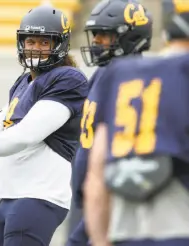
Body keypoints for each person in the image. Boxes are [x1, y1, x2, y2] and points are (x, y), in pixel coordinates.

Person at [0, 5, 89, 246]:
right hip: (9, 196)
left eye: (44, 42)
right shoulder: (24, 81)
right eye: (31, 41)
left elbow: (25, 135)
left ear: (60, 43)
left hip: (36, 194)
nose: (36, 48)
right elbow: (1, 126)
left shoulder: (68, 78)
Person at [84, 5, 189, 246]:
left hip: (124, 229)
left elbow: (96, 174)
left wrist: (99, 240)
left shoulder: (120, 74)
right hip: (179, 227)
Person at [67, 0, 153, 245]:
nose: (96, 42)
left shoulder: (135, 82)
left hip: (107, 194)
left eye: (104, 35)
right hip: (85, 193)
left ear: (130, 37)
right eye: (95, 35)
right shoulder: (103, 74)